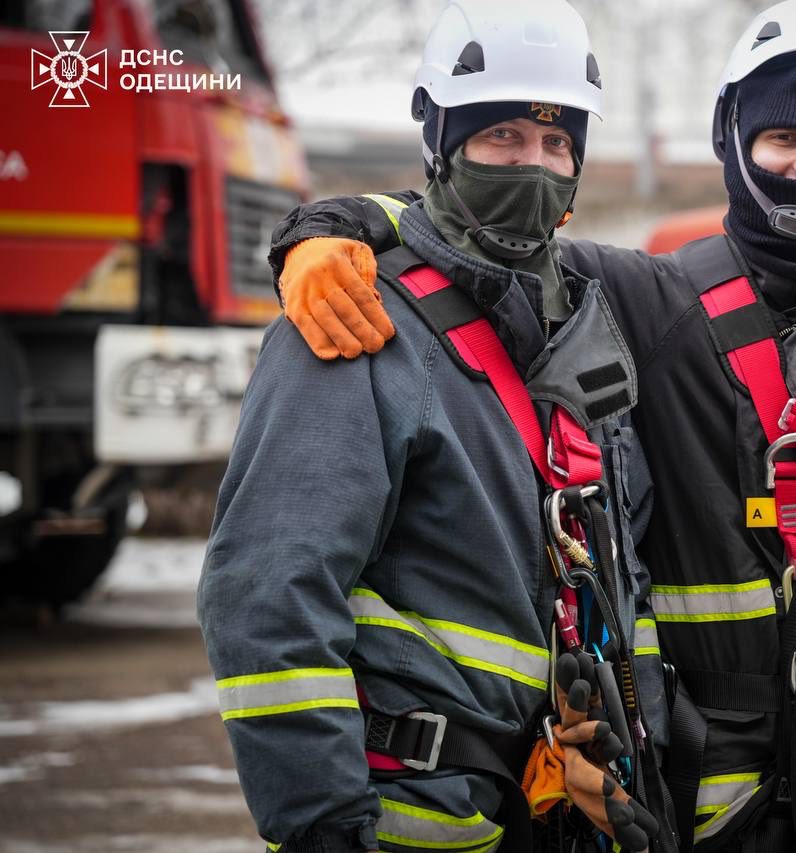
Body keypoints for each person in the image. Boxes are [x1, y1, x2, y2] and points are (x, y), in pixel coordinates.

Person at [268, 2, 796, 852]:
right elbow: (481, 231)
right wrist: (326, 230)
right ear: (734, 144)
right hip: (712, 802)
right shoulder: (645, 302)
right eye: (783, 141)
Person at [197, 2, 675, 851]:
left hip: (551, 810)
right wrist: (323, 830)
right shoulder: (356, 318)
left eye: (557, 143)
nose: (533, 166)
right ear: (444, 144)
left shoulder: (588, 328)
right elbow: (269, 596)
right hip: (407, 820)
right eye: (502, 140)